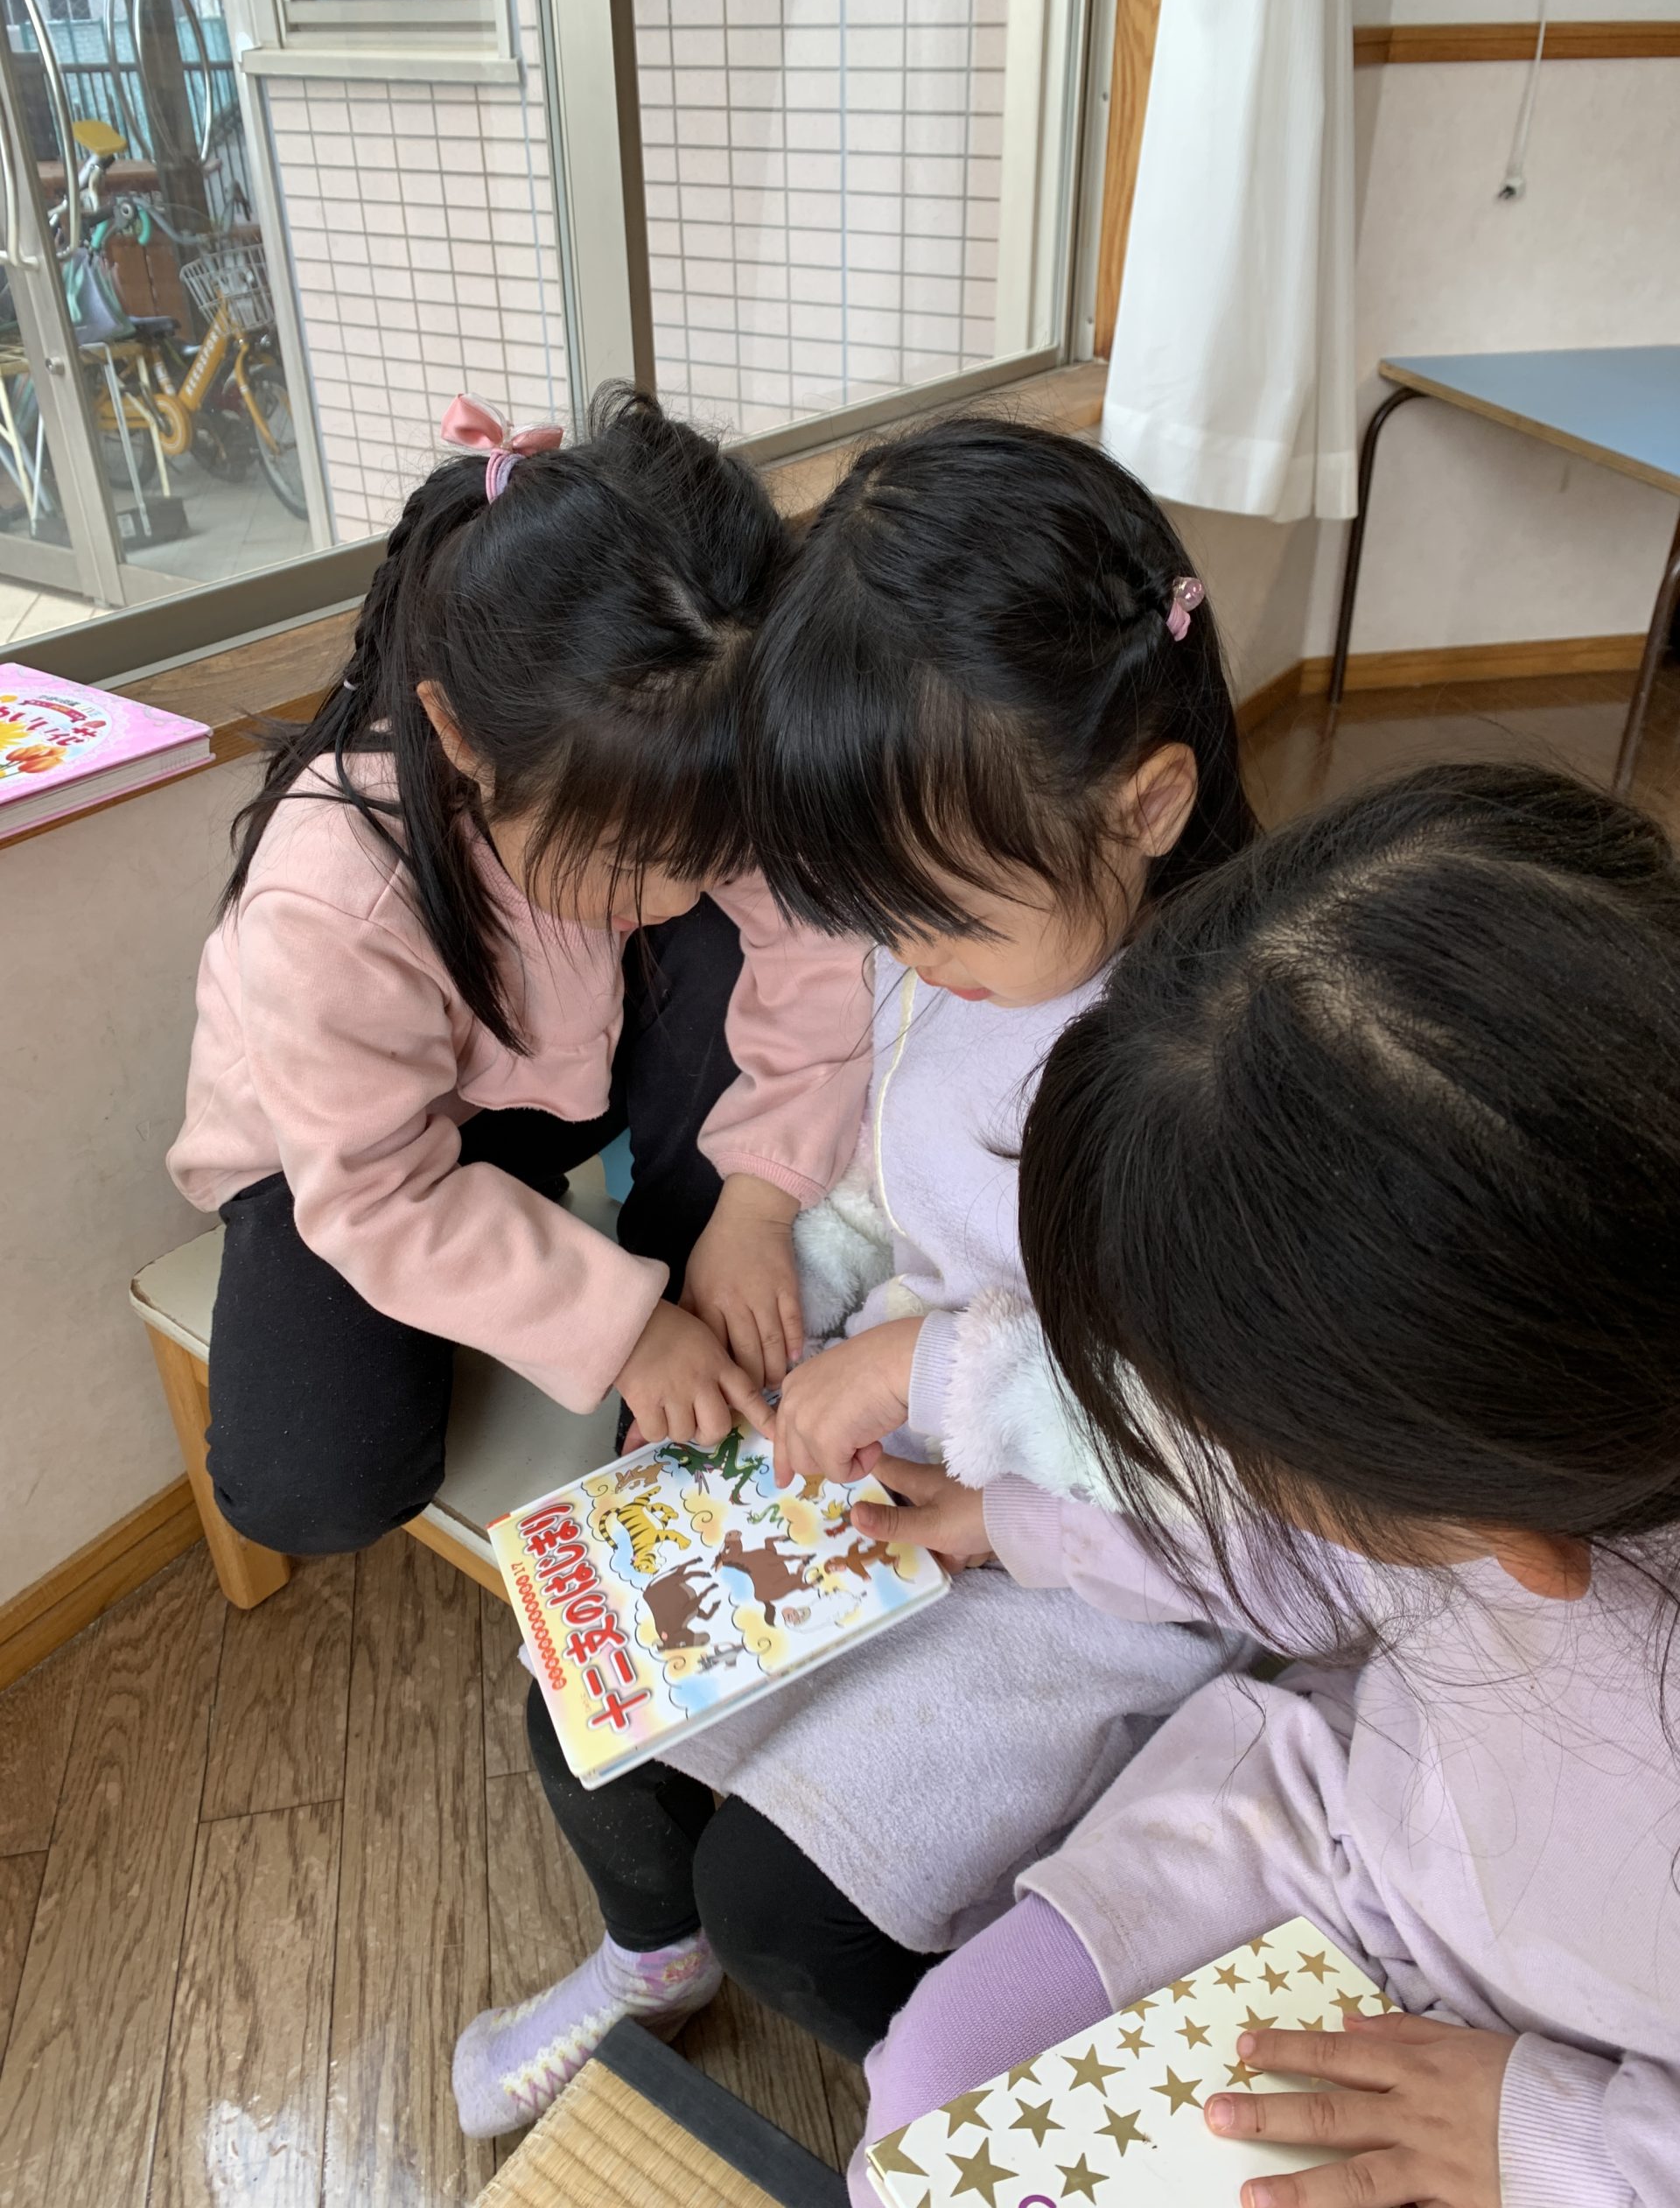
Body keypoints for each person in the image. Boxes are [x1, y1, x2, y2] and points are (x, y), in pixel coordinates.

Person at [451, 418, 1255, 2138]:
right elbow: (894, 1189)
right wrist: (795, 1296)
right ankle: (649, 1955)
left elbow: (1218, 1434)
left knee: (791, 1900)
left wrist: (923, 1376)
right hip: (905, 1467)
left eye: (932, 914)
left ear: (1149, 804)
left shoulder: (1226, 1060)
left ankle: (1021, 2097)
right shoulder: (958, 953)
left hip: (1111, 1556)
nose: (902, 957)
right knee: (583, 1700)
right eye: (869, 908)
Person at [847, 762, 1680, 2208]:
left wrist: (1548, 2136)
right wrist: (1012, 1518)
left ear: (1506, 1531)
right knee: (925, 2109)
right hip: (1354, 1853)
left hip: (1596, 2104)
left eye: (1241, 1433)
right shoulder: (1485, 1426)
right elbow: (1259, 1549)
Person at [168, 386, 872, 1560]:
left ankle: (683, 1271)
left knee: (739, 942)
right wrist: (623, 1328)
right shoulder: (330, 891)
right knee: (309, 1485)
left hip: (548, 1087)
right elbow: (376, 1195)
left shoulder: (697, 742)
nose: (675, 894)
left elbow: (817, 948)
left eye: (706, 852)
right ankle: (615, 1300)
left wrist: (756, 1202)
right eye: (635, 863)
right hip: (338, 1162)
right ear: (460, 737)